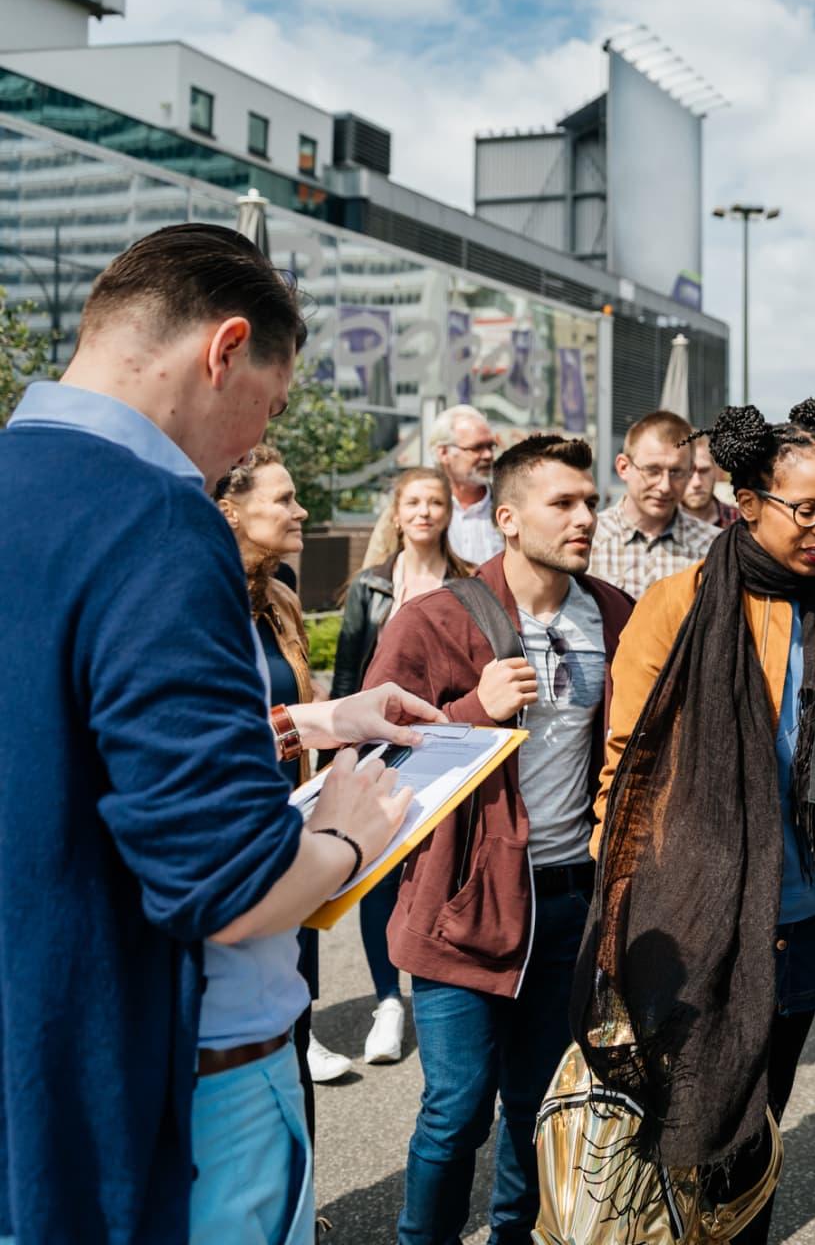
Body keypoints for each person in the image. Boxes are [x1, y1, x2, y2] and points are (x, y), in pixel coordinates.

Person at [0, 222, 439, 1245]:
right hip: (153, 1090)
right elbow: (228, 884)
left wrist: (308, 718)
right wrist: (344, 838)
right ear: (224, 348)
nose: (251, 445)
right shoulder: (156, 516)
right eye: (270, 409)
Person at [590, 400, 815, 1245]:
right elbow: (625, 765)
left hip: (801, 913)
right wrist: (630, 911)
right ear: (748, 503)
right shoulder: (677, 606)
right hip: (698, 911)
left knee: (761, 1120)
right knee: (690, 1119)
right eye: (805, 509)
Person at [363, 434, 633, 1245]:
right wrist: (473, 709)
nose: (586, 515)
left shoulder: (612, 614)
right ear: (508, 519)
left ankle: (515, 1234)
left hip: (568, 899)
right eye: (565, 503)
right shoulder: (434, 619)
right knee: (454, 1111)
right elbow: (368, 760)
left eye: (590, 501)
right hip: (464, 905)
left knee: (539, 1107)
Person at [213, 445, 357, 1122]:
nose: (300, 510)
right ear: (229, 509)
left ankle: (300, 1214)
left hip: (290, 829)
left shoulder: (280, 599)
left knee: (295, 1021)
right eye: (284, 499)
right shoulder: (197, 603)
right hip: (224, 844)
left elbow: (296, 696)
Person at [331, 467, 476, 1065]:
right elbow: (345, 677)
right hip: (375, 746)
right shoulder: (369, 586)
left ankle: (435, 986)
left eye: (434, 502)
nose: (424, 511)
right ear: (396, 513)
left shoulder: (468, 584)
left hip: (446, 741)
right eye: (413, 502)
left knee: (440, 868)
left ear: (448, 512)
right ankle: (388, 1001)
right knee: (379, 875)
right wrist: (338, 756)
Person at [588, 409, 718, 598]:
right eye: (652, 470)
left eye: (676, 472)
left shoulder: (712, 548)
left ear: (690, 472)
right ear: (624, 467)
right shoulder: (590, 539)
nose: (664, 486)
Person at [430, 404, 504, 564]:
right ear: (444, 453)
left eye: (490, 446)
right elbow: (376, 575)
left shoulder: (509, 506)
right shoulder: (418, 511)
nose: (488, 455)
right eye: (477, 448)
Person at [682, 432, 741, 528]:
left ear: (715, 470)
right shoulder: (660, 524)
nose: (697, 483)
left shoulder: (741, 522)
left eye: (704, 471)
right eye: (688, 473)